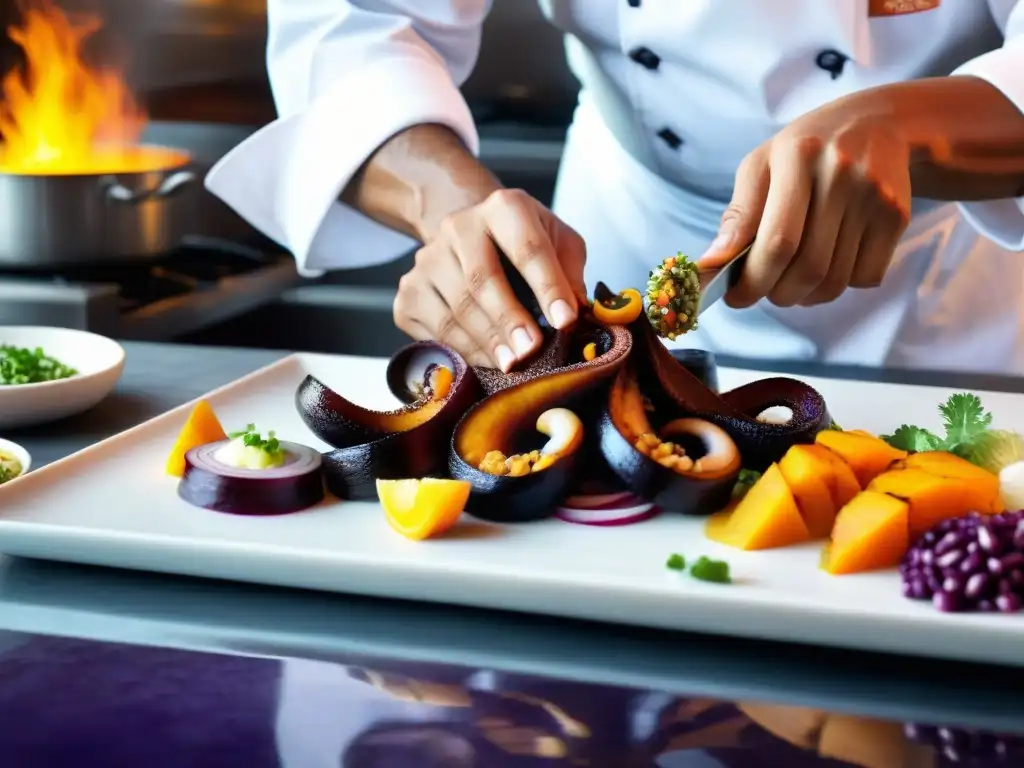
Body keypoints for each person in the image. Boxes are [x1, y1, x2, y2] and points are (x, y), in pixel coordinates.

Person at [206, 2, 1024, 374]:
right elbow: (360, 23)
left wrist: (915, 126)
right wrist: (454, 211)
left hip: (949, 282)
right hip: (624, 234)